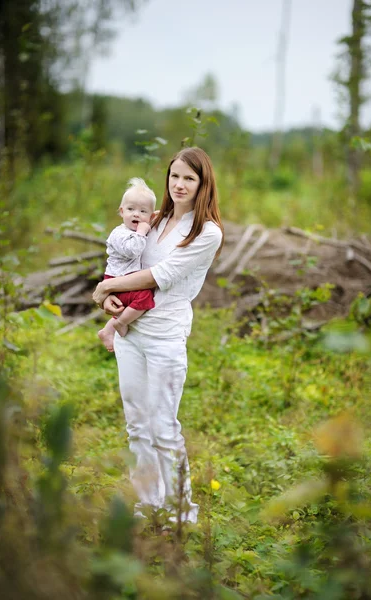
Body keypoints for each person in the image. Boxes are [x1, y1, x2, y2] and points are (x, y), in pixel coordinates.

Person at [93, 147, 224, 523]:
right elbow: (124, 261)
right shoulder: (153, 219)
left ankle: (180, 513)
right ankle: (148, 504)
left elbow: (158, 276)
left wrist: (106, 288)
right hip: (130, 332)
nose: (180, 184)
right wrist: (110, 299)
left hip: (165, 335)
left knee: (163, 425)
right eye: (175, 176)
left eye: (190, 178)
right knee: (136, 423)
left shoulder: (206, 232)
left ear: (203, 184)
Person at [98, 177, 156, 352]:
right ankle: (120, 323)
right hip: (117, 280)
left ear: (150, 216)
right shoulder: (120, 234)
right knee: (145, 297)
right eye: (131, 209)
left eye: (143, 211)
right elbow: (133, 250)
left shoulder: (136, 229)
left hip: (125, 279)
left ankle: (107, 330)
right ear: (121, 211)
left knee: (139, 298)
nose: (136, 214)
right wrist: (141, 232)